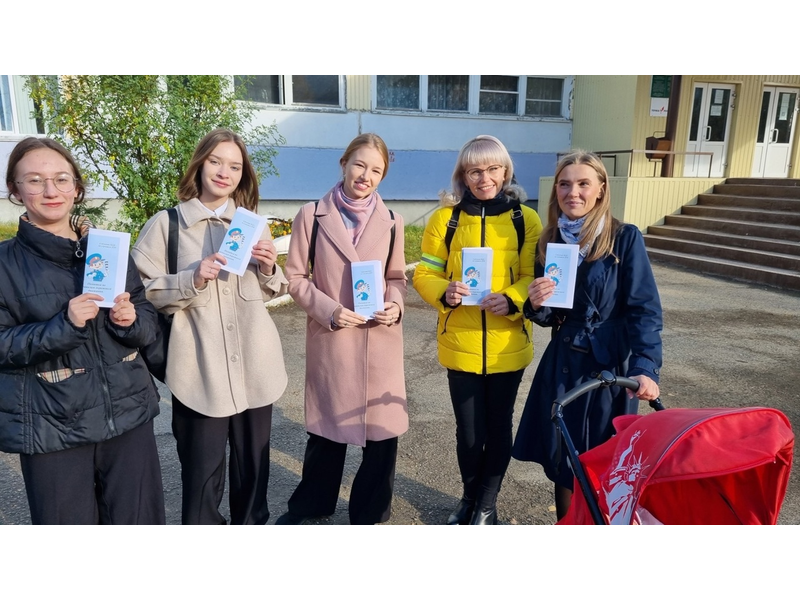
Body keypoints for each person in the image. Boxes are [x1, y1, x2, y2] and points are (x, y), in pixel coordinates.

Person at [0, 137, 165, 525]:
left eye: (61, 179)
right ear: (15, 190)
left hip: (127, 416)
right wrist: (64, 325)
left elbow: (146, 321)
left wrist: (129, 320)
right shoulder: (4, 264)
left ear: (77, 186)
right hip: (51, 426)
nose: (50, 190)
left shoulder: (106, 249)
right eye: (35, 180)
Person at [131, 128, 288, 525]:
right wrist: (191, 277)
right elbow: (139, 291)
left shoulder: (253, 224)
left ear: (243, 174)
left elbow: (272, 291)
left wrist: (270, 267)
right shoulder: (165, 226)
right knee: (202, 474)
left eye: (235, 166)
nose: (224, 172)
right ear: (199, 165)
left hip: (256, 366)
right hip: (199, 370)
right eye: (216, 162)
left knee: (254, 470)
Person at [511, 150, 663, 520]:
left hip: (608, 364)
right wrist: (535, 302)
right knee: (564, 457)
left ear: (600, 190)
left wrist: (646, 368)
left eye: (583, 184)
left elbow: (644, 309)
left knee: (606, 456)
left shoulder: (624, 238)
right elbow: (552, 315)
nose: (572, 192)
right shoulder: (550, 240)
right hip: (563, 361)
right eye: (564, 184)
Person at [277, 133, 407, 526]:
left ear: (383, 176)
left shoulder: (392, 221)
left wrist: (395, 306)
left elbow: (397, 277)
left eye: (376, 170)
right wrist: (329, 310)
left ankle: (370, 512)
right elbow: (296, 278)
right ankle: (312, 504)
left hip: (379, 339)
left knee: (382, 437)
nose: (365, 176)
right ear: (344, 163)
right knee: (326, 434)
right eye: (360, 165)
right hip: (333, 337)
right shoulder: (311, 214)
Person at [413, 134, 543, 525]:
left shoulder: (525, 219)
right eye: (474, 171)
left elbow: (530, 276)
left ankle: (487, 504)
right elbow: (425, 272)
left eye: (492, 169)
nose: (484, 178)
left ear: (505, 172)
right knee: (468, 433)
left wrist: (514, 299)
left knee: (499, 427)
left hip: (507, 344)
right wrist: (444, 291)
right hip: (460, 342)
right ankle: (468, 498)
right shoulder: (445, 219)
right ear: (463, 176)